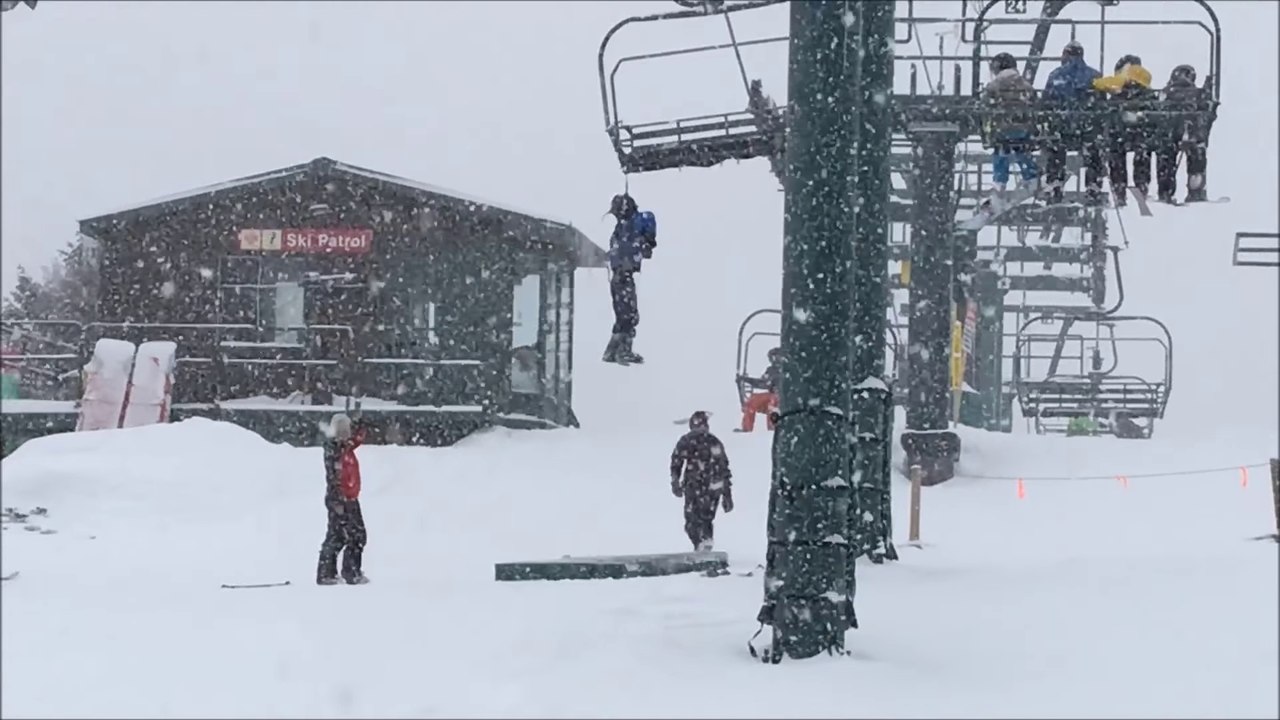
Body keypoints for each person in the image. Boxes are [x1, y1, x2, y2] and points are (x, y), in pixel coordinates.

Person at [1040, 41, 1106, 205]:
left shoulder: (1055, 75)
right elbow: (1102, 104)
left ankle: (1055, 184)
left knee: (1055, 152)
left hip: (1061, 126)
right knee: (1093, 154)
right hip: (1087, 127)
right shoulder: (1095, 76)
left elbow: (1046, 101)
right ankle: (1093, 187)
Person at [1092, 54, 1155, 206]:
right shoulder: (1145, 84)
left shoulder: (1119, 84)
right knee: (1142, 155)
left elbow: (1099, 84)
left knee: (1116, 156)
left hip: (1118, 129)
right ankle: (1141, 189)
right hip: (1141, 128)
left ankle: (1119, 191)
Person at [603, 193, 657, 366]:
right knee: (628, 315)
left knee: (624, 314)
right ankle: (622, 350)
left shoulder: (623, 228)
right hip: (623, 275)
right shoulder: (630, 226)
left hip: (620, 275)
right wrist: (646, 244)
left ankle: (613, 350)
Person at [316, 413, 369, 585]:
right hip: (341, 499)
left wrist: (360, 428)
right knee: (353, 536)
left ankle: (331, 573)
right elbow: (334, 477)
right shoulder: (335, 449)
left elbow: (356, 441)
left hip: (348, 499)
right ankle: (347, 572)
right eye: (345, 430)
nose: (348, 433)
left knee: (341, 536)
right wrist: (339, 500)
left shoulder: (343, 447)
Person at [669, 411, 733, 552]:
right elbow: (723, 468)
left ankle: (700, 543)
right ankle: (705, 541)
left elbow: (676, 462)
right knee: (706, 518)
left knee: (692, 520)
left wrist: (675, 481)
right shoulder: (714, 442)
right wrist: (727, 494)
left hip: (695, 485)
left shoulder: (687, 440)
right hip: (713, 487)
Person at [980, 52, 1040, 202]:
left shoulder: (993, 86)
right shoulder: (1026, 86)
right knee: (1022, 151)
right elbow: (1036, 107)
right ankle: (1031, 177)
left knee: (1000, 153)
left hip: (1002, 131)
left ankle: (999, 184)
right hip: (1023, 130)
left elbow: (984, 107)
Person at [1156, 64, 1210, 204]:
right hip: (1192, 132)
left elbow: (1158, 113)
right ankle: (1195, 191)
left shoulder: (1165, 92)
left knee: (1165, 160)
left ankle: (1165, 191)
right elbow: (1207, 114)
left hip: (1168, 133)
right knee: (1197, 159)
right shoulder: (1198, 93)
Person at [737, 347, 781, 433]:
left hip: (784, 398)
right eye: (772, 358)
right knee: (754, 399)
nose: (774, 360)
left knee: (773, 400)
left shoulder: (788, 370)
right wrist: (746, 379)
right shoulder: (770, 371)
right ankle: (746, 428)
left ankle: (773, 427)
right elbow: (762, 383)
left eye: (776, 357)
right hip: (771, 397)